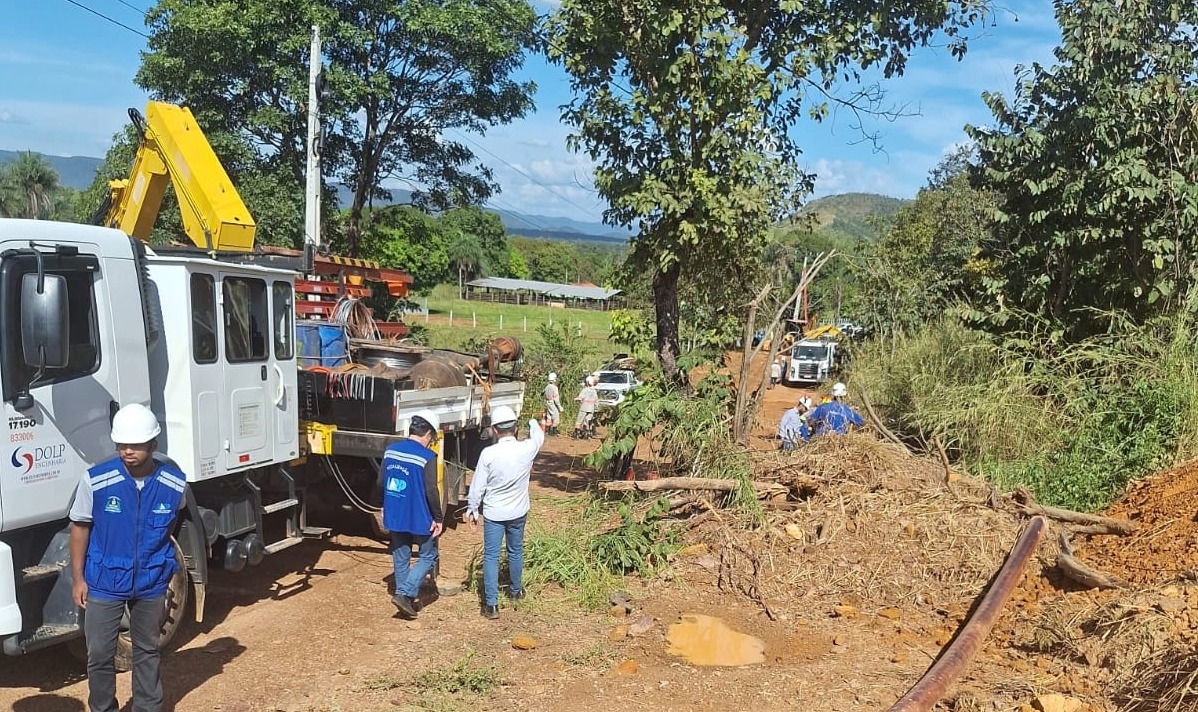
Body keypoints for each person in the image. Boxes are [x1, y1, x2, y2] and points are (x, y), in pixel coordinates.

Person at [68, 403, 188, 712]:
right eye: (122, 444)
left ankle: (148, 707)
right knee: (99, 655)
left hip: (150, 583)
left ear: (153, 445)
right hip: (104, 582)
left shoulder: (174, 484)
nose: (127, 451)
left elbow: (169, 527)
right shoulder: (95, 481)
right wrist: (78, 579)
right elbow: (80, 528)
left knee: (147, 650)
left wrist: (156, 565)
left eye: (135, 445)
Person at [466, 405, 545, 620]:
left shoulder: (489, 454)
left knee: (491, 556)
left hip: (494, 513)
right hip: (519, 511)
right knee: (515, 550)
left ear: (494, 430)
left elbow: (477, 487)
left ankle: (491, 605)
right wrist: (533, 422)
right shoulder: (527, 448)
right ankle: (516, 591)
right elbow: (539, 436)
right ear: (515, 428)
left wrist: (472, 510)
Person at [382, 409, 443, 620]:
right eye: (432, 439)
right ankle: (405, 593)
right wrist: (438, 518)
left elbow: (381, 482)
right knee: (429, 555)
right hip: (420, 515)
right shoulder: (427, 456)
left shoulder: (390, 451)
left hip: (395, 512)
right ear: (428, 434)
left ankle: (404, 598)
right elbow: (431, 490)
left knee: (401, 555)